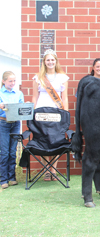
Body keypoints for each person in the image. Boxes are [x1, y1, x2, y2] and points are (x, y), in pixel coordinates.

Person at [32, 49, 69, 181]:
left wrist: (66, 114)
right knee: (42, 141)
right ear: (44, 62)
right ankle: (46, 171)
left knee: (56, 141)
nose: (50, 62)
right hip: (41, 114)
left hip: (56, 113)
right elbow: (34, 97)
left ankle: (53, 170)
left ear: (56, 61)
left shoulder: (62, 78)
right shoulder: (38, 78)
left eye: (52, 59)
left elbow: (64, 98)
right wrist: (33, 113)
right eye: (48, 60)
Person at [0, 71, 24, 189]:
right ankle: (3, 179)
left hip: (15, 124)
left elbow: (21, 107)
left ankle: (12, 177)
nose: (12, 83)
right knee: (4, 152)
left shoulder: (19, 93)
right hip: (3, 122)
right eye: (10, 81)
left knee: (12, 151)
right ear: (4, 81)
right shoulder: (0, 93)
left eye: (14, 81)